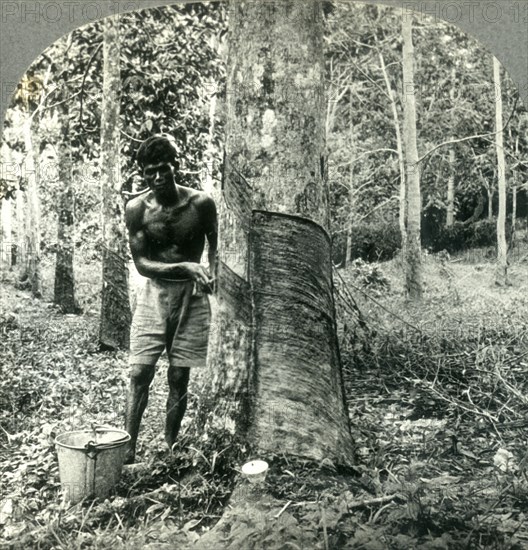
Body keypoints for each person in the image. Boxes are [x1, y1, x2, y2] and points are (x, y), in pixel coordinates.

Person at [124, 134, 217, 464]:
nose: (158, 177)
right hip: (154, 295)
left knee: (179, 375)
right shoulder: (137, 209)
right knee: (139, 373)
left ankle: (169, 445)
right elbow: (141, 263)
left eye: (163, 169)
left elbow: (216, 249)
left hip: (192, 298)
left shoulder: (201, 204)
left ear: (175, 166)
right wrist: (185, 266)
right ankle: (128, 449)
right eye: (150, 172)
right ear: (143, 174)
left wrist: (212, 275)